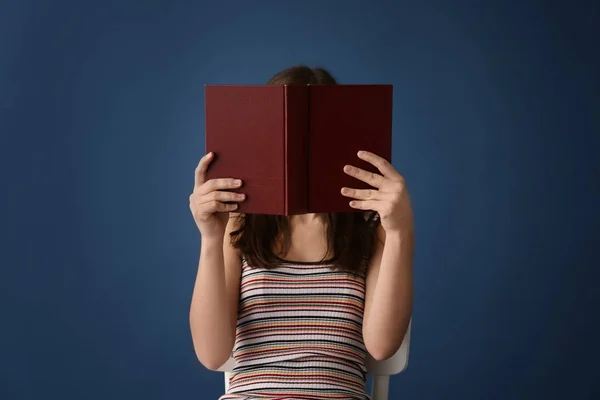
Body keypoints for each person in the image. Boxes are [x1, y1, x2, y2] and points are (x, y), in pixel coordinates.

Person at [188, 66, 414, 400]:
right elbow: (211, 354)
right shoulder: (241, 224)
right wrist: (209, 238)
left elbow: (381, 347)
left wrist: (400, 230)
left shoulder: (371, 230)